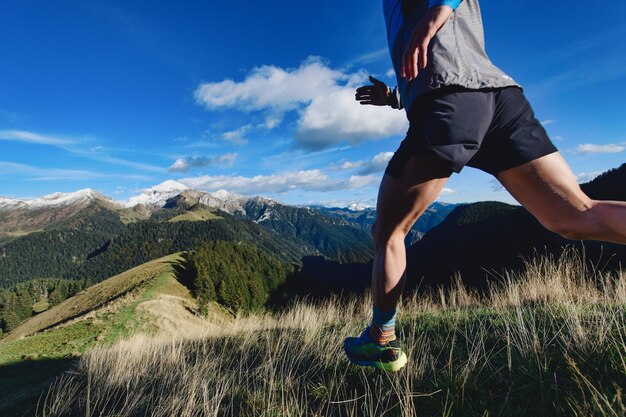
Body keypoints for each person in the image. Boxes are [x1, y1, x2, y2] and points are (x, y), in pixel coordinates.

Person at [343, 0, 626, 372]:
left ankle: (380, 340)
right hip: (501, 100)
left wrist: (432, 19)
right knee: (575, 214)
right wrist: (396, 97)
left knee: (389, 231)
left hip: (450, 102)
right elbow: (441, 60)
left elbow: (441, 56)